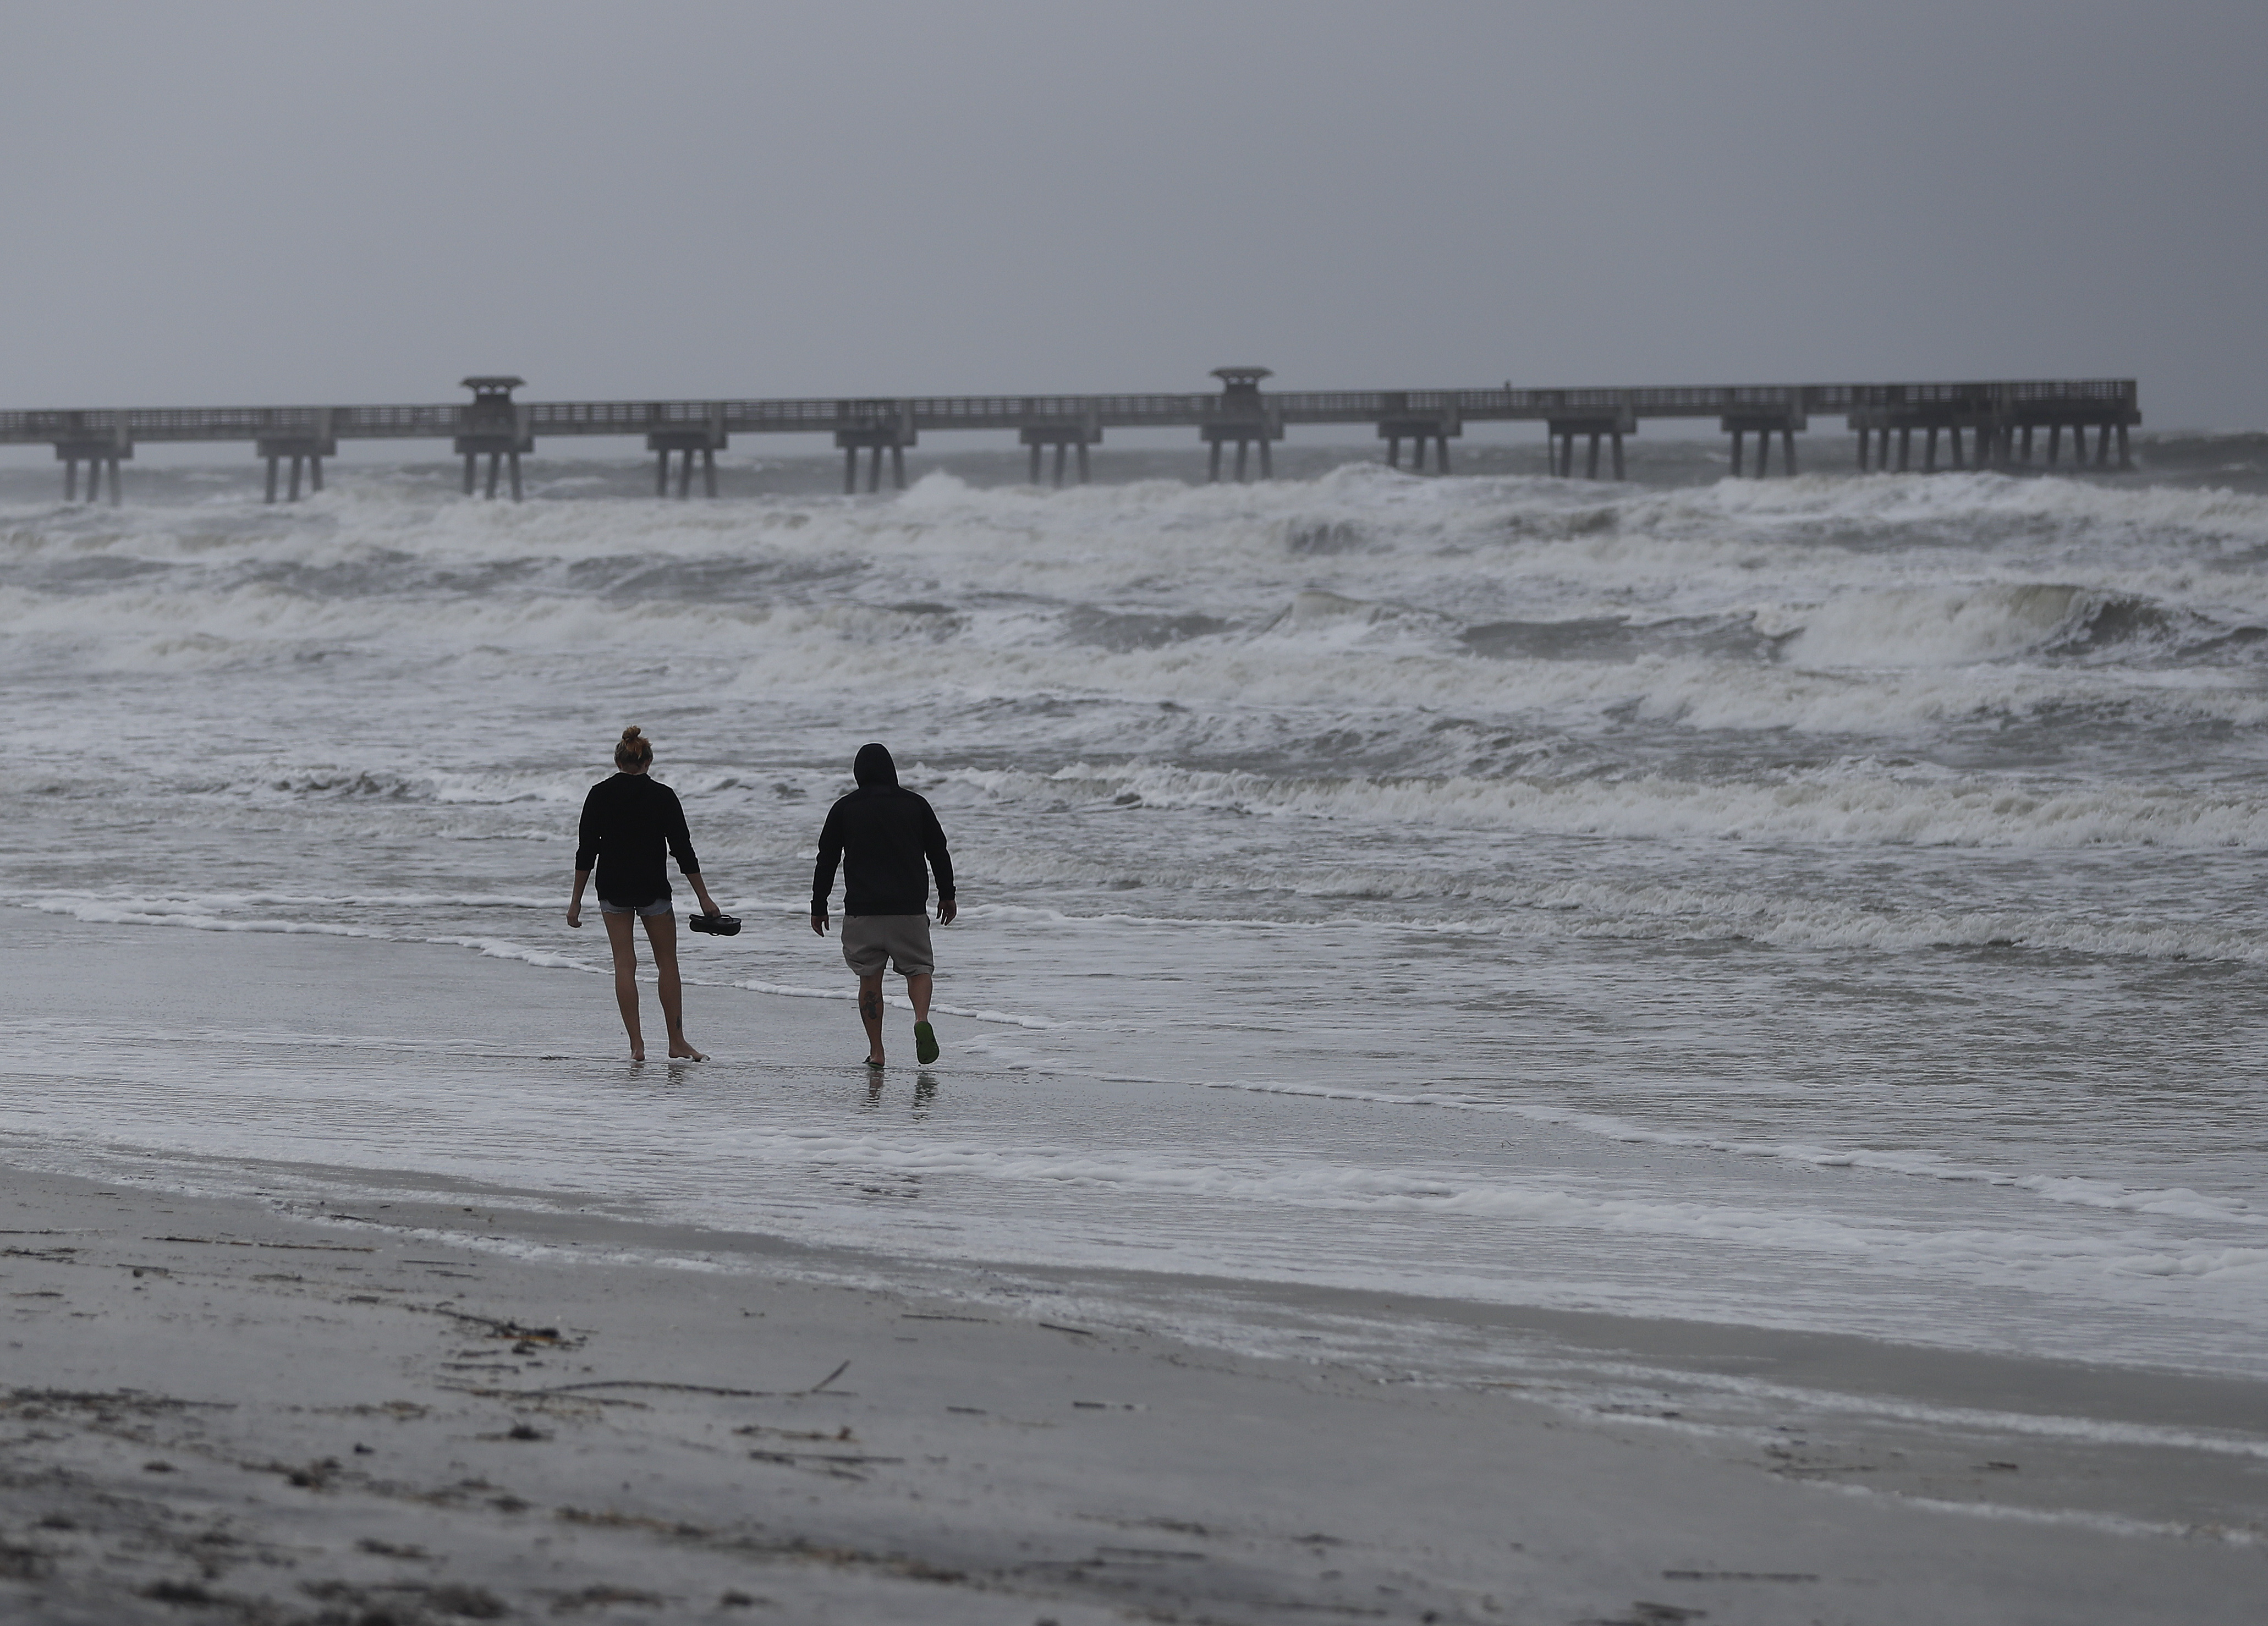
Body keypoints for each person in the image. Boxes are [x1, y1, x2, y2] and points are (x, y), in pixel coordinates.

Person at [567, 726, 723, 1062]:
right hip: (653, 888)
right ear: (648, 761)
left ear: (618, 762)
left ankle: (637, 1045)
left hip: (612, 888)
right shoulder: (663, 796)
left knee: (625, 964)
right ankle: (676, 1042)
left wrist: (575, 902)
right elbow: (683, 850)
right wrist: (704, 898)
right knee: (667, 963)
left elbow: (586, 851)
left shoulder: (599, 794)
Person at [810, 743, 957, 1068]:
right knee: (918, 969)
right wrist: (948, 894)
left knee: (869, 979)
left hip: (863, 911)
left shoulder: (844, 808)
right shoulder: (916, 805)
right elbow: (938, 851)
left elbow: (827, 859)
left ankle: (877, 1052)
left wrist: (819, 905)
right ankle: (921, 1020)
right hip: (909, 910)